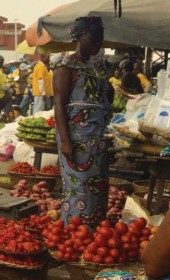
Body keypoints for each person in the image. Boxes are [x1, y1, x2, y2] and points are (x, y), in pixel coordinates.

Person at [53, 16, 113, 228]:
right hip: (75, 138)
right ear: (79, 36)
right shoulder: (65, 65)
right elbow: (59, 104)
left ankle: (95, 231)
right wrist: (65, 141)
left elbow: (106, 98)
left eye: (100, 39)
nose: (98, 42)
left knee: (97, 186)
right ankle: (74, 231)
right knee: (79, 185)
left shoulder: (98, 68)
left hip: (98, 139)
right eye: (94, 37)